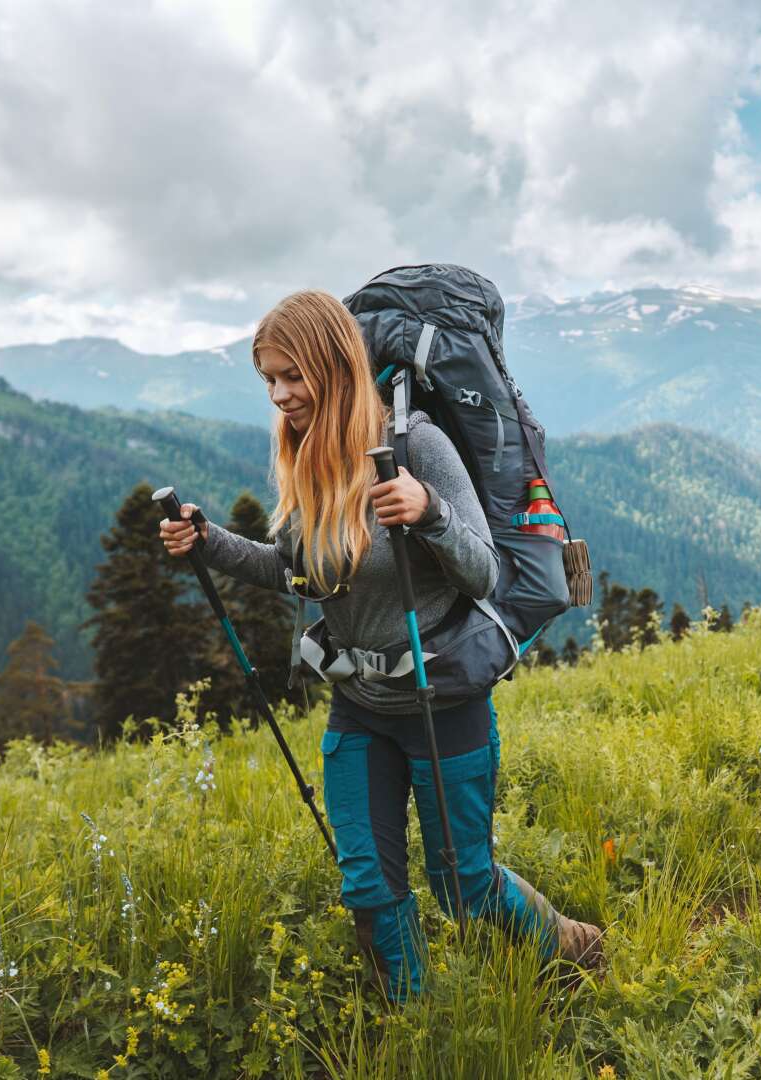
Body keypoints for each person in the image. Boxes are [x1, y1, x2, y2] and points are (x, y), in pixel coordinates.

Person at [159, 290, 600, 1000]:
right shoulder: (307, 456)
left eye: (292, 376)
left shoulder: (416, 445)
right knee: (368, 884)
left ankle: (571, 944)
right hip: (358, 706)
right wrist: (207, 542)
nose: (280, 395)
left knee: (463, 884)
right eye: (269, 380)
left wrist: (431, 513)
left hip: (442, 700)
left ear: (333, 364)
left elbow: (484, 569)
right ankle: (413, 1020)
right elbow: (294, 571)